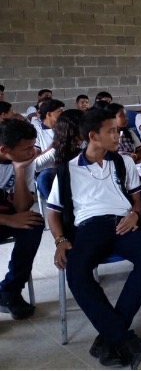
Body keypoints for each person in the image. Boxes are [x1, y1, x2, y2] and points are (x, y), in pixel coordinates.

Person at [47, 109, 141, 368]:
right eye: (111, 131)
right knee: (76, 273)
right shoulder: (67, 170)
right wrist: (60, 241)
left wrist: (134, 213)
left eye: (117, 130)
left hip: (122, 222)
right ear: (93, 136)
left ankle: (109, 339)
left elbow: (138, 200)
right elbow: (53, 214)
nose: (118, 135)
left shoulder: (123, 162)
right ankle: (123, 338)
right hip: (89, 227)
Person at [0, 119, 43, 320]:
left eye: (33, 145)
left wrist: (19, 170)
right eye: (26, 148)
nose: (32, 151)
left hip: (8, 214)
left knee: (33, 223)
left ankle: (10, 290)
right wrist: (8, 220)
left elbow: (22, 207)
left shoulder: (26, 159)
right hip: (4, 218)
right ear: (4, 149)